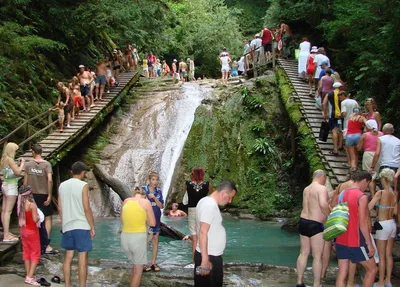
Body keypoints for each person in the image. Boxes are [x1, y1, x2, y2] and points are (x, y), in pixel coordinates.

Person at [335, 171, 377, 287]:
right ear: (365, 180)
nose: (366, 188)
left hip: (341, 238)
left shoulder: (341, 195)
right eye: (367, 185)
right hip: (356, 240)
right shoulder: (361, 197)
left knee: (342, 273)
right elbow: (362, 222)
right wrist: (369, 244)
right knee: (372, 270)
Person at [58, 161, 95, 287]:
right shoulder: (83, 185)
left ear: (71, 171)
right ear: (83, 172)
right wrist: (92, 226)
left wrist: (64, 223)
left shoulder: (62, 185)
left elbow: (60, 207)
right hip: (82, 225)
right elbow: (86, 208)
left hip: (67, 225)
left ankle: (67, 285)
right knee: (82, 259)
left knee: (68, 257)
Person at [194, 180, 237, 287]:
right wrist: (205, 261)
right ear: (223, 193)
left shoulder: (204, 200)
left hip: (207, 254)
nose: (230, 201)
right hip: (209, 257)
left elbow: (197, 229)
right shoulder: (210, 205)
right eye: (230, 197)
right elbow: (203, 232)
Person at [296, 170, 330, 287]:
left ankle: (299, 282)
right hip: (315, 224)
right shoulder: (321, 188)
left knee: (303, 253)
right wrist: (330, 216)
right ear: (322, 177)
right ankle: (316, 284)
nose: (325, 182)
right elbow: (323, 204)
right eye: (325, 179)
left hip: (303, 221)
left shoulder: (306, 189)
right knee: (317, 256)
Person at [23, 144, 55, 254]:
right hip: (44, 194)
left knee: (33, 218)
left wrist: (25, 196)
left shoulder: (28, 165)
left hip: (31, 195)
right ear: (41, 152)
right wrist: (50, 195)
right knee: (48, 218)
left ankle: (34, 244)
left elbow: (25, 182)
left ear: (33, 152)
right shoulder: (46, 164)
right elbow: (50, 180)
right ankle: (46, 245)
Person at [121, 188, 155, 287]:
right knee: (138, 271)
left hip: (125, 238)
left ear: (133, 194)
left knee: (135, 266)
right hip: (138, 239)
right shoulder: (146, 202)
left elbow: (121, 218)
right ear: (144, 195)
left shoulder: (126, 201)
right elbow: (152, 223)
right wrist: (145, 220)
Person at [368, 168, 397, 287]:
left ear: (383, 179)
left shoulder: (380, 193)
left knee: (381, 254)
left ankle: (380, 282)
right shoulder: (394, 193)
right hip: (392, 224)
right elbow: (395, 211)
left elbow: (369, 207)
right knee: (389, 254)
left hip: (383, 224)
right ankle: (388, 281)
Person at [183, 167, 214, 258]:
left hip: (192, 210)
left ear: (193, 174)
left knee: (194, 236)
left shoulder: (187, 184)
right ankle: (204, 259)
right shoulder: (207, 184)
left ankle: (194, 261)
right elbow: (213, 196)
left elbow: (187, 196)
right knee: (203, 234)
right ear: (202, 174)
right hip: (203, 210)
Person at [17, 185, 41, 286]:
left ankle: (28, 275)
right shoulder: (32, 205)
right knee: (35, 253)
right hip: (32, 232)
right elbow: (35, 219)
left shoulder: (20, 204)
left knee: (27, 253)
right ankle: (30, 278)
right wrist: (39, 217)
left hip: (23, 231)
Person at [1, 142, 25, 242]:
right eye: (15, 150)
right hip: (11, 186)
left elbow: (6, 173)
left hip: (5, 184)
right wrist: (22, 163)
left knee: (4, 210)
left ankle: (6, 232)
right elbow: (18, 172)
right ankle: (6, 235)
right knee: (8, 211)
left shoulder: (3, 159)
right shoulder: (10, 160)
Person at [142, 172, 164, 272]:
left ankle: (153, 263)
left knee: (155, 240)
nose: (155, 182)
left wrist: (154, 198)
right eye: (153, 179)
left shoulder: (159, 191)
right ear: (149, 180)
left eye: (156, 180)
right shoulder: (143, 190)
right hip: (145, 220)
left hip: (156, 219)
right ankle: (143, 263)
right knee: (145, 241)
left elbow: (161, 206)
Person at [357, 120, 383, 195]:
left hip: (368, 155)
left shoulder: (365, 135)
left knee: (370, 176)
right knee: (375, 176)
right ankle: (374, 194)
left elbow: (359, 148)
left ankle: (372, 194)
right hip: (379, 155)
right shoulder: (381, 134)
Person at [322, 83, 342, 156]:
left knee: (334, 131)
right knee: (340, 129)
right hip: (341, 115)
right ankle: (340, 145)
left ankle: (335, 149)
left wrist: (325, 113)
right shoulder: (342, 94)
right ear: (340, 87)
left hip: (332, 115)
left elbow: (324, 103)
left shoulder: (329, 94)